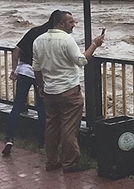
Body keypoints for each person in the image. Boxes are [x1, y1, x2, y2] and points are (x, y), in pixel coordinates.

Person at [33, 11, 105, 173]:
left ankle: (51, 161)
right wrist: (94, 44)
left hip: (49, 90)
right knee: (69, 127)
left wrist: (40, 86)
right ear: (60, 24)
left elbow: (36, 68)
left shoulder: (39, 40)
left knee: (51, 126)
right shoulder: (67, 40)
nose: (73, 25)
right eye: (71, 22)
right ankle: (70, 162)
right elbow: (81, 60)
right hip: (68, 90)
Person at [2, 10, 59, 156]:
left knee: (18, 104)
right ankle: (41, 141)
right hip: (41, 74)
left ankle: (9, 138)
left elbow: (16, 49)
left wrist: (14, 69)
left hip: (25, 71)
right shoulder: (54, 36)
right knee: (41, 108)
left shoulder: (34, 31)